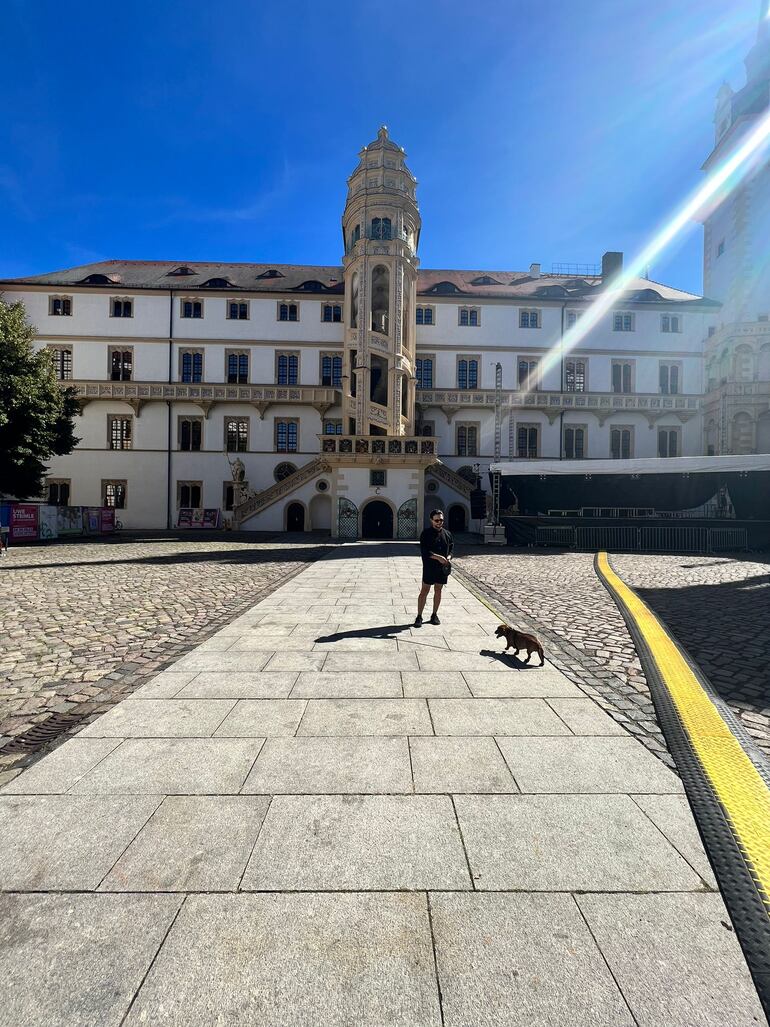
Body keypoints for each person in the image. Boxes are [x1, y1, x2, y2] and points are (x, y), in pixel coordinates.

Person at [415, 509, 453, 627]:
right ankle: (419, 616)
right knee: (424, 591)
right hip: (429, 567)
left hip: (442, 568)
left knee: (438, 591)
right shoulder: (425, 533)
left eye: (441, 520)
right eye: (436, 520)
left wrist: (449, 557)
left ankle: (434, 615)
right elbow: (425, 551)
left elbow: (451, 548)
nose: (439, 522)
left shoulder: (447, 534)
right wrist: (438, 557)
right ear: (431, 520)